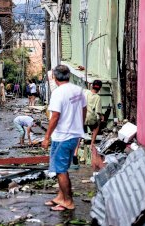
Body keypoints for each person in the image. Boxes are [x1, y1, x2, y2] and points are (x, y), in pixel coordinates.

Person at [41, 65, 87, 211]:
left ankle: (68, 201)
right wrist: (79, 127)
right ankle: (61, 197)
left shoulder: (58, 93)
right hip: (73, 135)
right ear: (69, 75)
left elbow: (55, 117)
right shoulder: (78, 90)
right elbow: (84, 110)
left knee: (60, 170)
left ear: (54, 77)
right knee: (63, 168)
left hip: (62, 136)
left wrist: (46, 137)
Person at [84, 80, 104, 149]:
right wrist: (102, 117)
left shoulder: (86, 92)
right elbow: (98, 111)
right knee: (97, 126)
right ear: (100, 88)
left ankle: (76, 147)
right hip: (90, 118)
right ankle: (92, 144)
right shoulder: (98, 97)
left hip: (82, 116)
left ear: (92, 86)